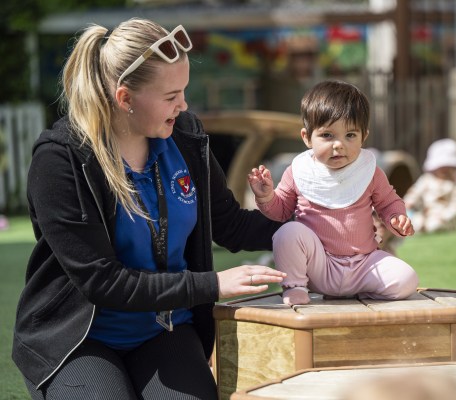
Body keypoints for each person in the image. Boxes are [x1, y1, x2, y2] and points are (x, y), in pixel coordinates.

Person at [12, 18, 286, 400]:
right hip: (80, 339)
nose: (184, 104)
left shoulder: (186, 137)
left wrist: (318, 222)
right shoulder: (61, 160)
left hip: (166, 328)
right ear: (125, 99)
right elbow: (102, 282)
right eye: (171, 95)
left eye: (184, 91)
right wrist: (213, 284)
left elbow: (231, 226)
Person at [248, 80, 419, 306]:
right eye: (327, 135)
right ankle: (295, 286)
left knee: (407, 278)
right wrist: (266, 197)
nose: (339, 145)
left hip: (363, 263)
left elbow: (388, 202)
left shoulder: (368, 171)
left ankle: (360, 292)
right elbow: (280, 212)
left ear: (364, 136)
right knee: (287, 232)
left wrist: (396, 217)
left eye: (350, 135)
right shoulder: (299, 171)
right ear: (307, 137)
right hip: (319, 265)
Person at [403, 138, 456, 233]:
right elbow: (415, 191)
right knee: (413, 220)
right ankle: (419, 227)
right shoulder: (427, 180)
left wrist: (444, 216)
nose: (444, 170)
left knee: (435, 225)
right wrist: (408, 202)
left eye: (447, 167)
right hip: (425, 215)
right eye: (440, 167)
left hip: (444, 219)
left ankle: (427, 228)